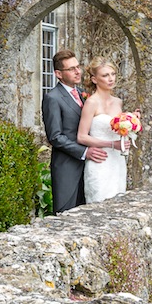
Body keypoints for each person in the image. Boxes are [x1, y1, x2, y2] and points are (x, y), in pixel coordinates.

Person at [41, 49, 111, 214]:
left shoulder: (83, 94)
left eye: (77, 66)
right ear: (59, 73)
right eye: (71, 69)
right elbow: (55, 136)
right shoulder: (52, 98)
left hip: (91, 167)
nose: (77, 71)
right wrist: (84, 151)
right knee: (67, 216)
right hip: (67, 168)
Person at [76, 58, 136, 205]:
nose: (110, 79)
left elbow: (122, 131)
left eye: (113, 74)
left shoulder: (119, 102)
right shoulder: (91, 103)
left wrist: (132, 122)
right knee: (99, 203)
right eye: (105, 75)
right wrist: (111, 144)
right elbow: (81, 137)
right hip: (100, 161)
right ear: (94, 79)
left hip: (117, 162)